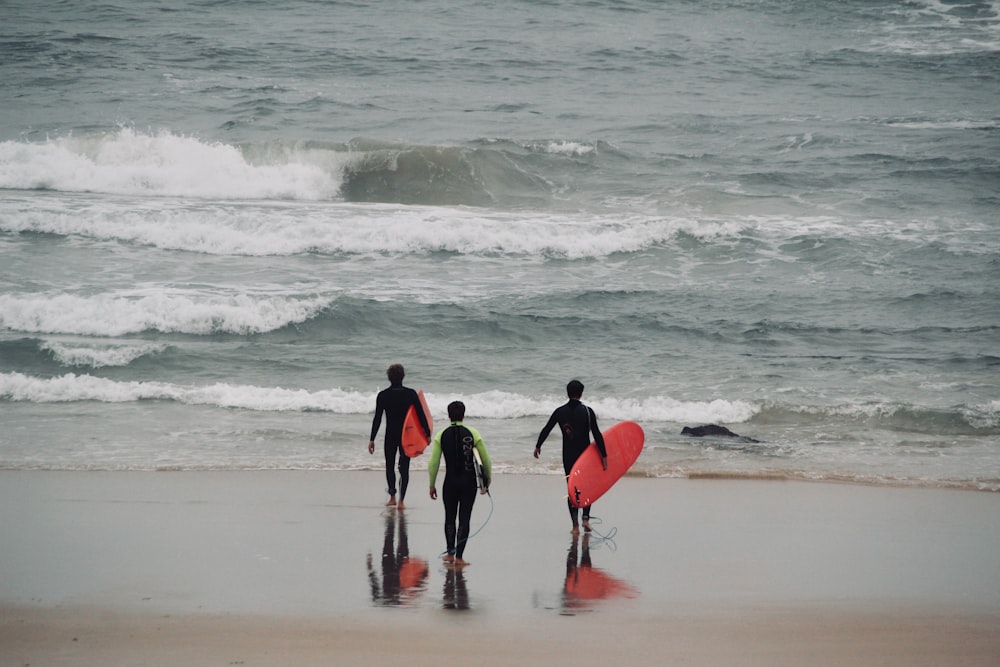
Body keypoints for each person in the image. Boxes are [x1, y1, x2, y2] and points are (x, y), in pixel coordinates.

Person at [534, 379, 607, 534]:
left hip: (568, 456)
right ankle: (585, 519)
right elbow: (596, 434)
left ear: (567, 393)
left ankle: (574, 526)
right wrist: (604, 455)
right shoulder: (588, 411)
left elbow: (546, 429)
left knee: (572, 488)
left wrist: (538, 446)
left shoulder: (560, 412)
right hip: (585, 456)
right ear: (581, 393)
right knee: (587, 487)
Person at [428, 400, 491, 568]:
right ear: (464, 414)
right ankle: (460, 557)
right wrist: (487, 479)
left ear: (448, 415)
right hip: (468, 483)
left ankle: (450, 554)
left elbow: (433, 462)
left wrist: (431, 484)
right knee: (464, 518)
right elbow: (486, 460)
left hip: (449, 483)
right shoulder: (473, 433)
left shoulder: (441, 435)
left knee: (449, 517)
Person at [369, 363, 430, 510]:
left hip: (390, 436)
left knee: (390, 467)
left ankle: (392, 497)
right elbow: (421, 416)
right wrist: (426, 434)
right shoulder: (410, 394)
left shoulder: (383, 395)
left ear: (389, 378)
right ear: (403, 376)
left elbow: (377, 418)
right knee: (404, 468)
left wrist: (372, 439)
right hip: (406, 437)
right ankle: (402, 501)